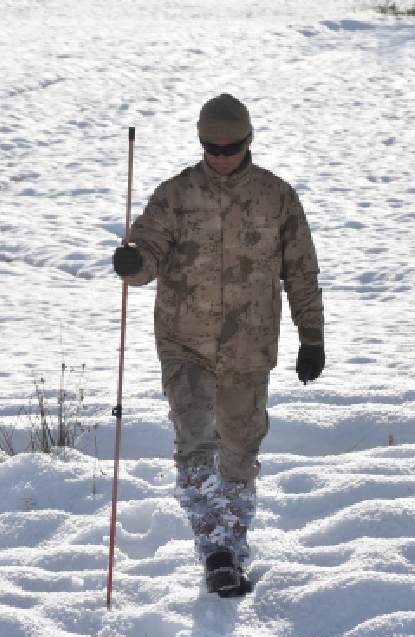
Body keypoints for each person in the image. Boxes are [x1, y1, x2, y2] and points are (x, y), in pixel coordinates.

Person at [112, 94, 325, 596]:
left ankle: (235, 537)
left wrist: (311, 336)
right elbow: (148, 254)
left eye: (230, 148)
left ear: (248, 142)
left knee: (239, 449)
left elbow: (301, 271)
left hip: (250, 346)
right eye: (212, 148)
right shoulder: (176, 195)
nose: (221, 157)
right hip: (183, 340)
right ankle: (217, 551)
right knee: (195, 444)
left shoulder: (277, 197)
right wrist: (133, 264)